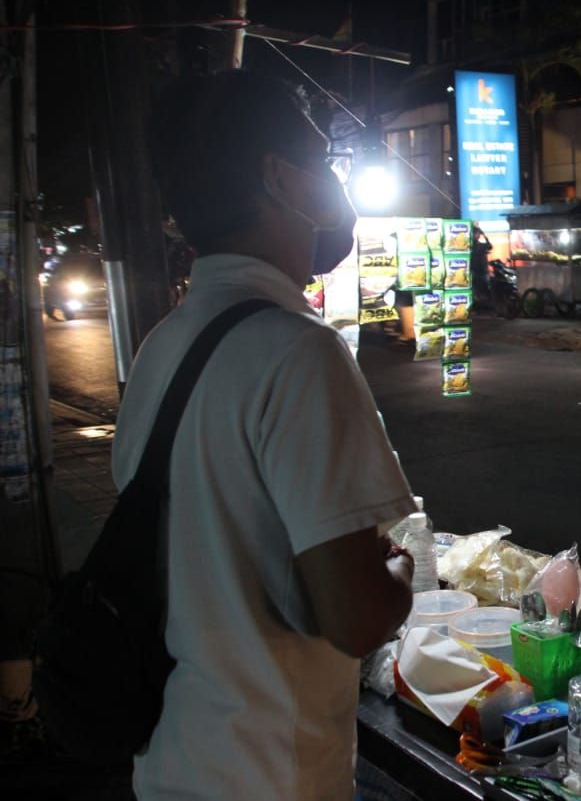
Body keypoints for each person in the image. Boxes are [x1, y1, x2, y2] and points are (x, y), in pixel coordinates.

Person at [117, 70, 417, 798]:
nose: (336, 183)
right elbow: (357, 619)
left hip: (173, 758)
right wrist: (405, 568)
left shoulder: (162, 346)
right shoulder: (300, 350)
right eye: (326, 161)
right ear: (281, 178)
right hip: (270, 775)